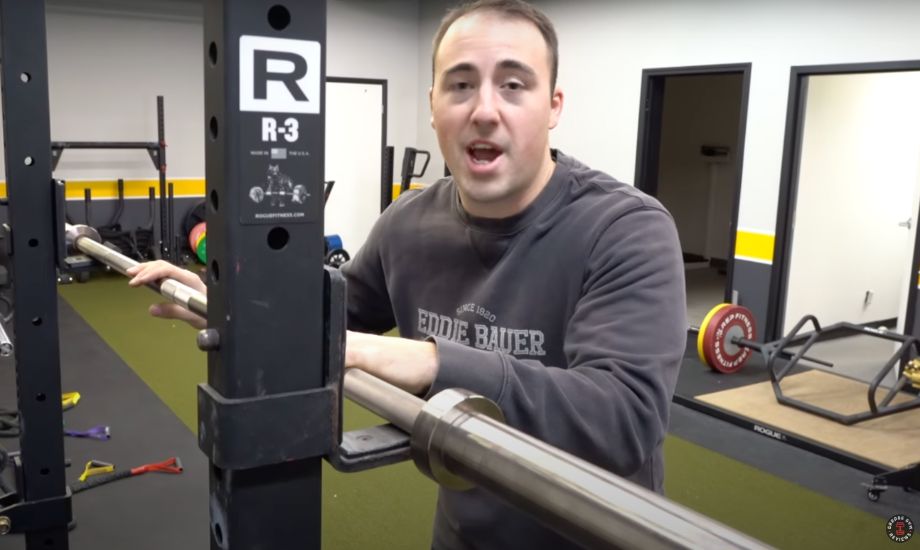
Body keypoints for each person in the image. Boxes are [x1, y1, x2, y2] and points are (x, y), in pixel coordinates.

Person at [127, 1, 687, 548]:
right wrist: (237, 302)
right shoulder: (409, 225)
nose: (485, 110)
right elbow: (322, 320)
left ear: (554, 105)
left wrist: (430, 361)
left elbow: (622, 420)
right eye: (460, 85)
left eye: (514, 85)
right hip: (464, 532)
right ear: (433, 103)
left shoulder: (626, 229)